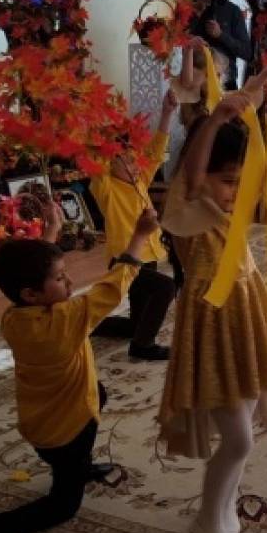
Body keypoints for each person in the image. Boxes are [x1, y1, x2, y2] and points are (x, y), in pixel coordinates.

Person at [0, 204, 161, 533]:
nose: (69, 283)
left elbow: (34, 273)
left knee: (100, 392)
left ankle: (80, 468)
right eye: (60, 278)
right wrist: (140, 235)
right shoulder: (65, 320)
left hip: (41, 421)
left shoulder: (14, 318)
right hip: (67, 432)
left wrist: (50, 233)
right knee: (62, 506)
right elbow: (113, 287)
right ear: (31, 294)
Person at [157, 68, 267, 533]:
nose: (237, 191)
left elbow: (266, 173)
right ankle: (206, 521)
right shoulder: (190, 209)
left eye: (239, 181)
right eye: (228, 181)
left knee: (248, 425)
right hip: (212, 327)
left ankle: (223, 507)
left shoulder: (228, 206)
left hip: (245, 316)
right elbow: (193, 177)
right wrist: (214, 120)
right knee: (238, 439)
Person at [89, 90, 178, 360]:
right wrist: (98, 128)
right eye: (126, 160)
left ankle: (87, 321)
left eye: (134, 159)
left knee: (135, 323)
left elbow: (156, 150)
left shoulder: (140, 179)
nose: (135, 165)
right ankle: (143, 346)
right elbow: (94, 162)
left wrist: (166, 113)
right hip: (125, 259)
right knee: (166, 287)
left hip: (149, 255)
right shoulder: (106, 188)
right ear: (110, 162)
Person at [190, 0, 251, 90]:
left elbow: (246, 52)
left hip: (226, 83)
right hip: (193, 83)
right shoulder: (186, 5)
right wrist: (197, 12)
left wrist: (221, 35)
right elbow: (177, 43)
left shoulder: (233, 11)